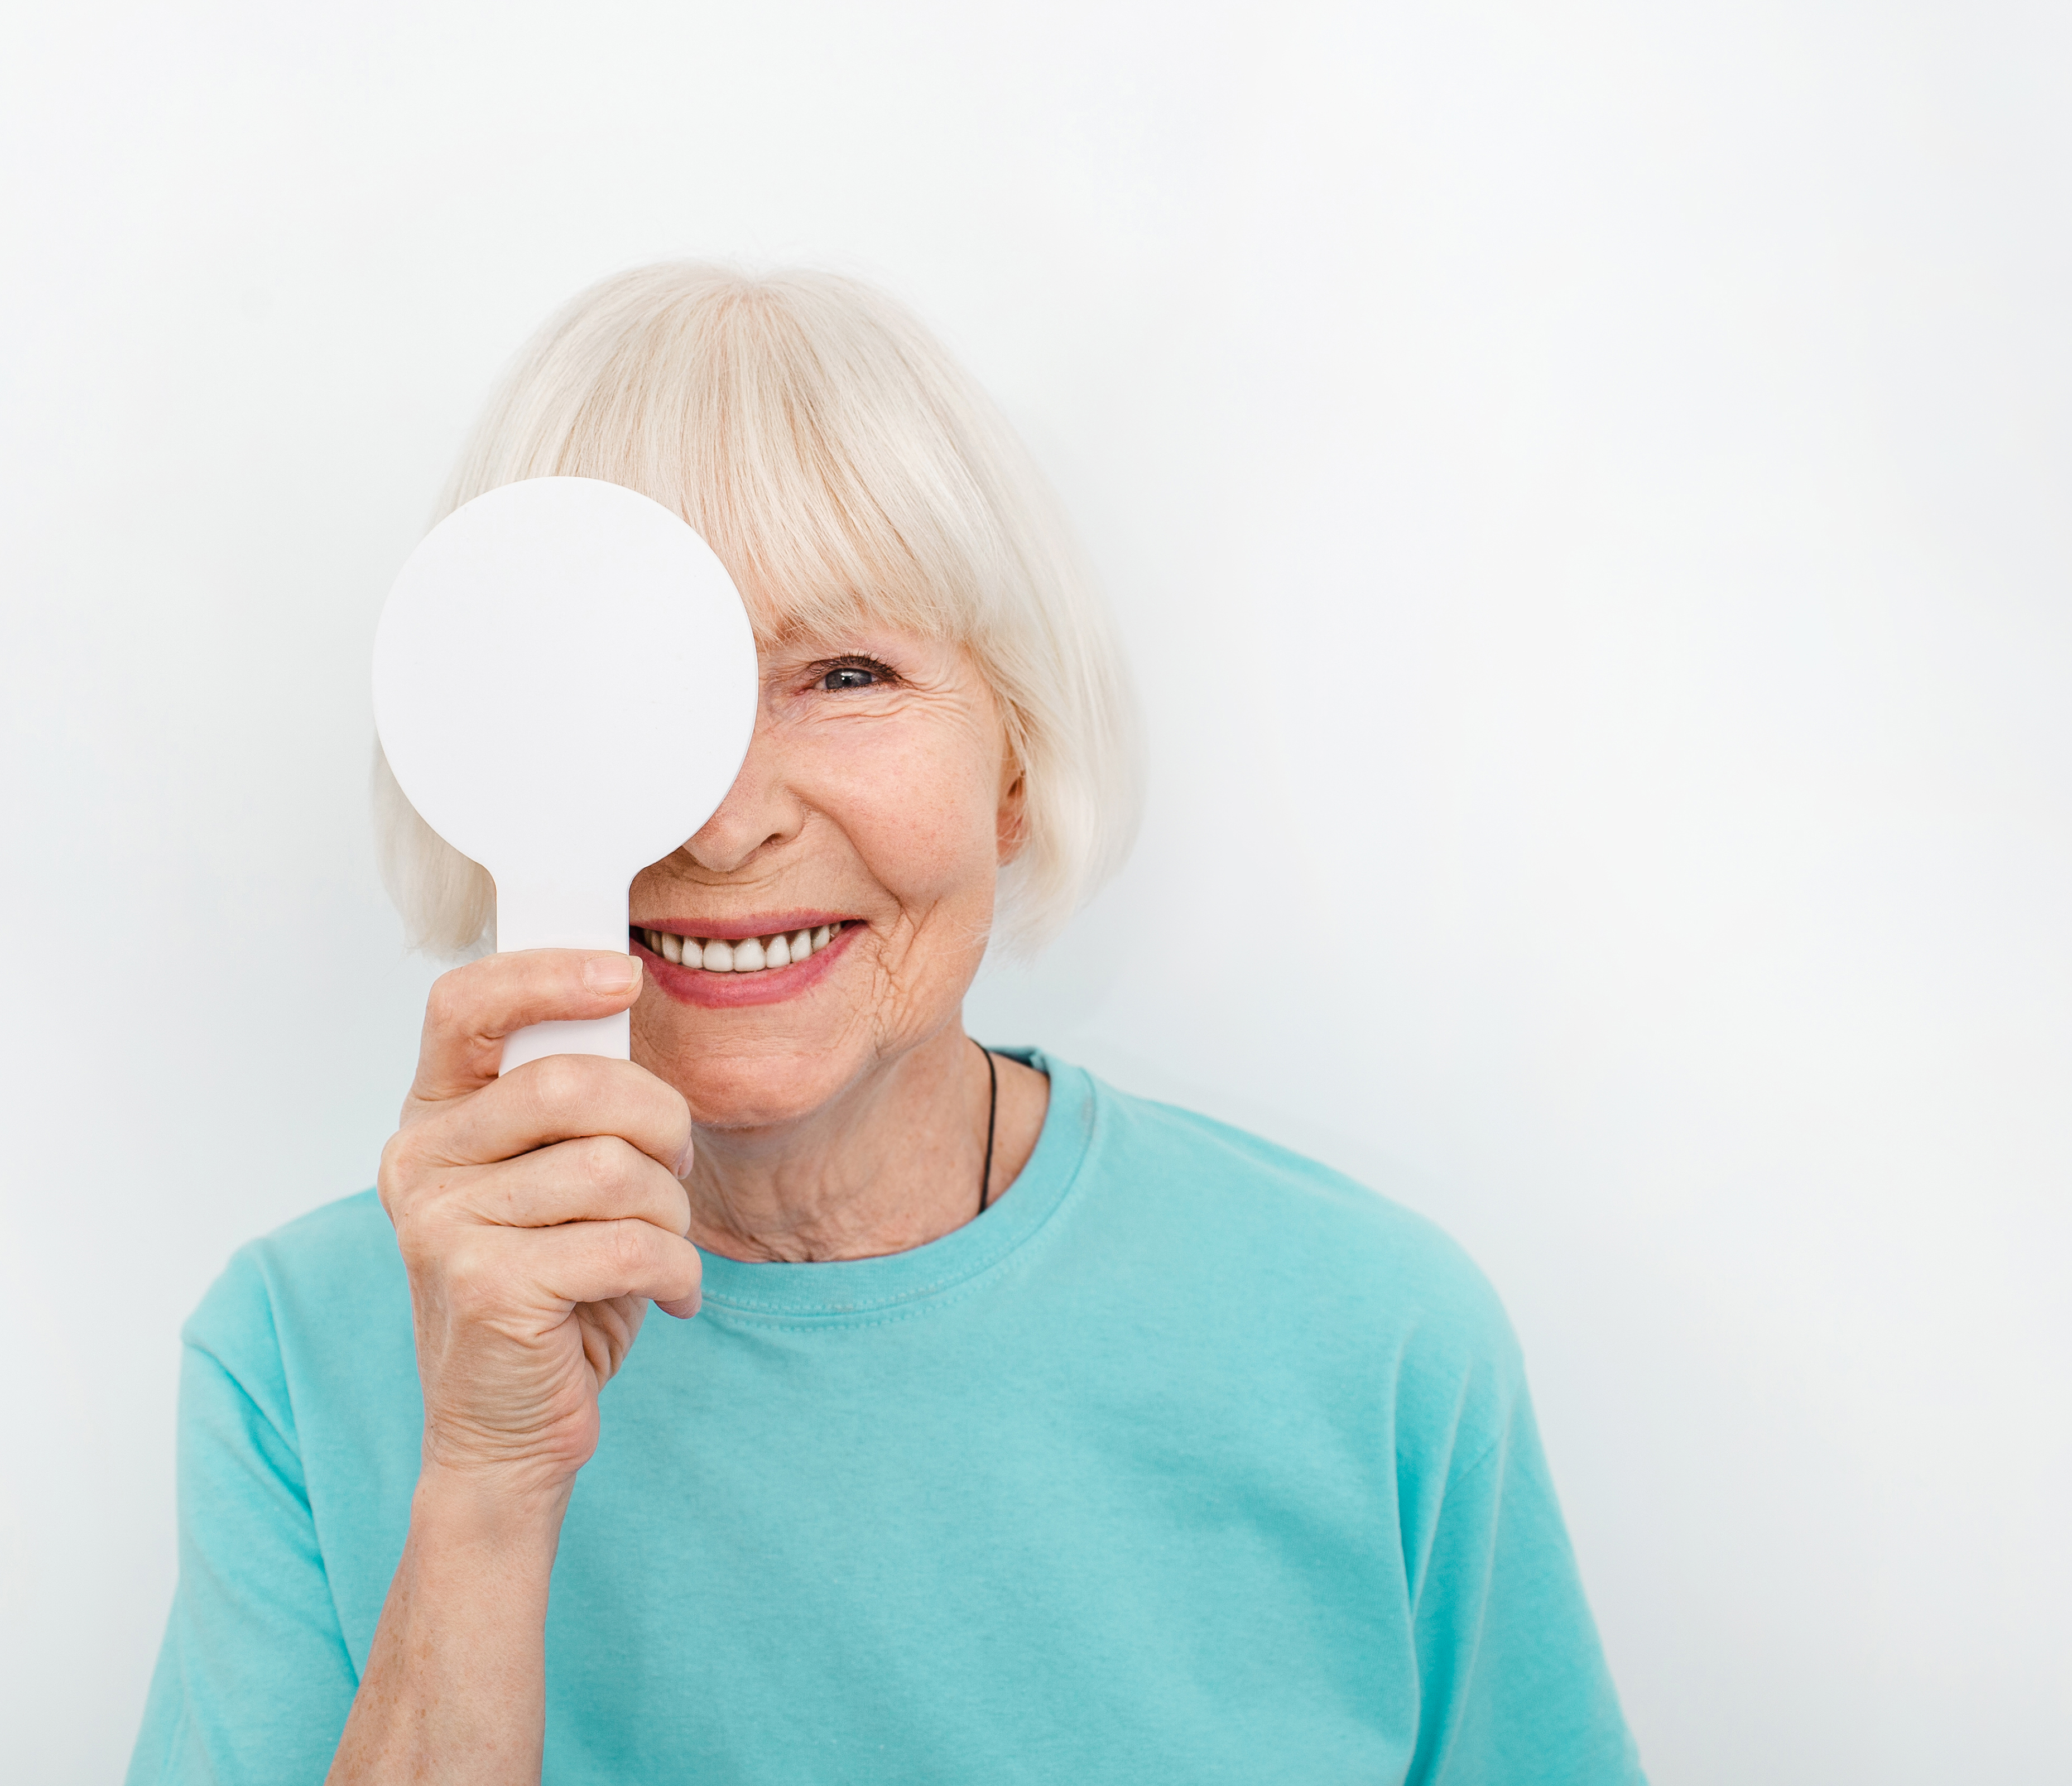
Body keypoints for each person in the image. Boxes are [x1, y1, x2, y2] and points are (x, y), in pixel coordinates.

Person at [128, 263, 1644, 1785]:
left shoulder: (1373, 1344)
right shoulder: (298, 1362)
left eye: (845, 674)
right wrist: (485, 1484)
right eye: (632, 691)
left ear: (1015, 767)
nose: (723, 827)